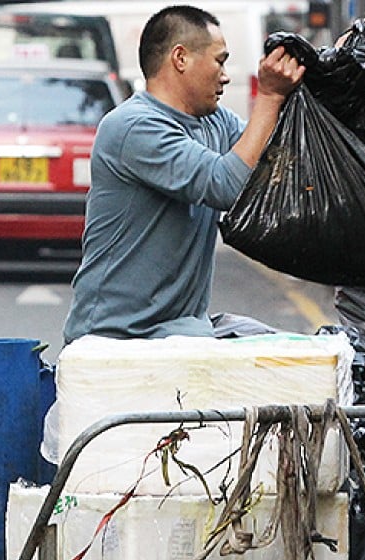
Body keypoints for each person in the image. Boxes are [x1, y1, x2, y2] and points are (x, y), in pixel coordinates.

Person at [62, 5, 304, 344]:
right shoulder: (133, 127)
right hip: (117, 340)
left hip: (182, 330)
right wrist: (269, 96)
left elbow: (269, 158)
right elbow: (227, 185)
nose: (226, 75)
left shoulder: (214, 122)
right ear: (181, 58)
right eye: (220, 61)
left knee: (291, 352)